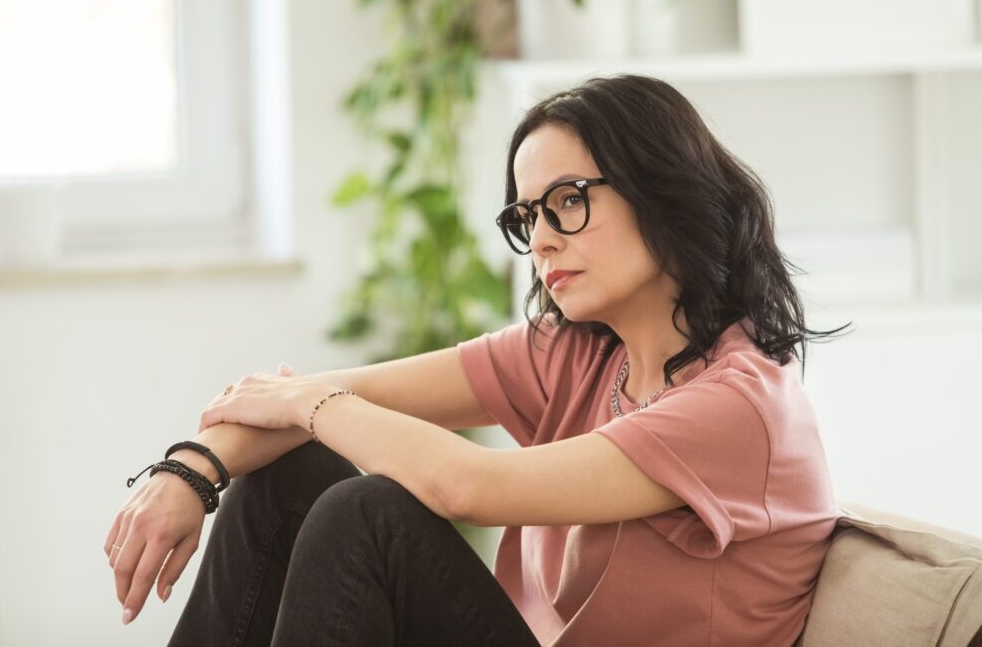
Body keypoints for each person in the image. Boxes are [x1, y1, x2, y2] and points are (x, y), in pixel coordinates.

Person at [104, 73, 848, 645]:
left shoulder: (739, 407)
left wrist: (307, 404)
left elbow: (464, 484)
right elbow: (292, 404)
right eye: (528, 216)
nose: (544, 238)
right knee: (295, 475)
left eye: (567, 201)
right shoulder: (583, 354)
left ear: (664, 191)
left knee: (371, 513)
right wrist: (191, 468)